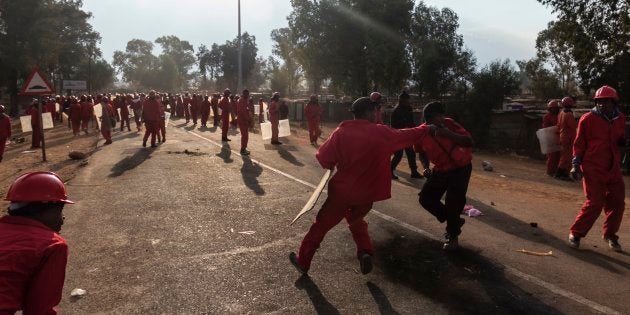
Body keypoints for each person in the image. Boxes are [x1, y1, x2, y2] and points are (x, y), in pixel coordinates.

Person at [289, 97, 432, 275]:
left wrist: (339, 160)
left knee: (321, 226)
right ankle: (365, 251)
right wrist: (426, 128)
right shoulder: (382, 132)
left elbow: (323, 159)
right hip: (366, 195)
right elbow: (406, 135)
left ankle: (303, 261)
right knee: (356, 221)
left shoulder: (342, 132)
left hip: (342, 192)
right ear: (368, 113)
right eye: (374, 111)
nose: (376, 114)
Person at [0, 171, 74, 314]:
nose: (62, 218)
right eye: (60, 211)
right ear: (41, 212)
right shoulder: (51, 245)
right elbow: (39, 310)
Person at [568, 85, 625, 252]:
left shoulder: (620, 118)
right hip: (593, 167)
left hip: (613, 167)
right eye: (599, 102)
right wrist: (575, 165)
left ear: (614, 103)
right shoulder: (588, 119)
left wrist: (622, 141)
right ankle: (576, 233)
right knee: (595, 203)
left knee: (617, 203)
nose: (602, 105)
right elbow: (579, 144)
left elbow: (619, 138)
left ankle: (610, 235)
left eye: (606, 101)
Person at [415, 101, 473, 250]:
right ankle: (452, 220)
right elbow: (421, 152)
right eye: (438, 116)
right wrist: (426, 167)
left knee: (453, 201)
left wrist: (447, 133)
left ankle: (452, 236)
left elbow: (468, 141)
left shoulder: (450, 124)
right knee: (425, 199)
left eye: (442, 115)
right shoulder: (422, 132)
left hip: (461, 168)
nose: (442, 118)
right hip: (441, 169)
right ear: (429, 118)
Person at [390, 91, 423, 179]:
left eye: (408, 100)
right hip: (399, 135)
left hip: (407, 135)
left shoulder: (408, 108)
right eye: (406, 100)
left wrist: (413, 130)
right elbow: (393, 125)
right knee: (398, 155)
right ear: (401, 100)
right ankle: (389, 171)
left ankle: (414, 172)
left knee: (411, 154)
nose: (408, 101)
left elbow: (411, 121)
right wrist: (404, 127)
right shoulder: (396, 111)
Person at [556, 96, 577, 180]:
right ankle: (561, 174)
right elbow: (573, 126)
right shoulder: (569, 114)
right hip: (568, 137)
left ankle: (562, 174)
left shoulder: (561, 113)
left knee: (564, 156)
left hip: (563, 136)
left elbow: (558, 125)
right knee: (566, 157)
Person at [542, 100, 561, 176]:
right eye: (552, 108)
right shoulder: (546, 117)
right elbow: (546, 128)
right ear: (550, 108)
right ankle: (550, 171)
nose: (554, 109)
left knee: (558, 156)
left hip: (558, 137)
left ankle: (556, 171)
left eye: (555, 108)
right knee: (551, 156)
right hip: (550, 138)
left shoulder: (559, 115)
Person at [237, 89, 252, 155]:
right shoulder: (242, 100)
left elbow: (246, 109)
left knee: (245, 135)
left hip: (244, 120)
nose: (248, 95)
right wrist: (248, 119)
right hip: (242, 120)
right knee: (245, 135)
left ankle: (244, 148)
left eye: (248, 94)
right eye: (247, 94)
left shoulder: (245, 101)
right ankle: (243, 149)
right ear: (244, 94)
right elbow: (243, 112)